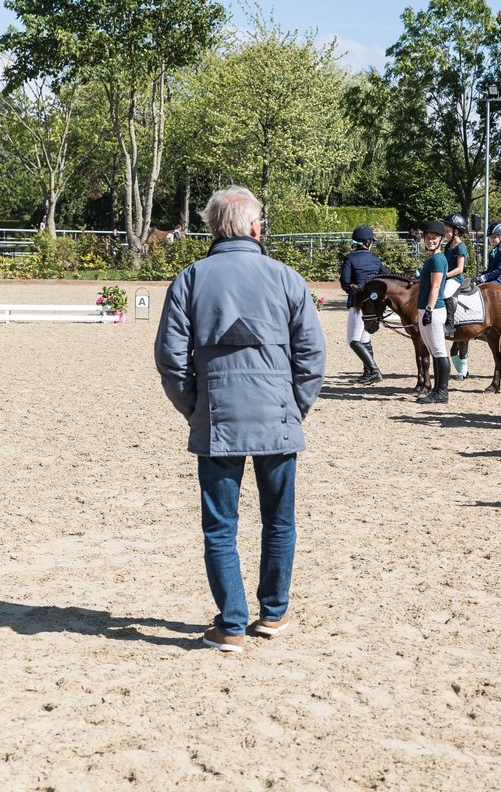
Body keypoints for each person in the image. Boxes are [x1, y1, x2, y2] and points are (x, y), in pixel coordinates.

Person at [154, 185, 326, 652]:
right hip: (277, 417)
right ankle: (274, 613)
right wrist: (296, 406)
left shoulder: (189, 279)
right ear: (255, 227)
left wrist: (195, 407)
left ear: (212, 227)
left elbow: (171, 360)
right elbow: (312, 355)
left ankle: (230, 624)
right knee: (280, 521)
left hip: (217, 417)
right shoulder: (288, 278)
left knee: (220, 526)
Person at [340, 225, 387, 383]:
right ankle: (368, 373)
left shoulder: (350, 258)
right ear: (367, 243)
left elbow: (345, 282)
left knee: (353, 340)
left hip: (358, 302)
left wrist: (353, 290)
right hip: (373, 304)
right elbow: (386, 277)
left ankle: (373, 371)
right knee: (364, 338)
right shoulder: (375, 259)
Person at [416, 220, 451, 404]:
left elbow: (436, 286)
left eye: (434, 238)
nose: (430, 241)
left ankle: (442, 392)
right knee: (433, 350)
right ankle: (437, 390)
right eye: (428, 238)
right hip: (425, 309)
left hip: (434, 309)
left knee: (439, 351)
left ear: (441, 239)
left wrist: (429, 308)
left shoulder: (438, 259)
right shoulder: (431, 258)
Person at [440, 213, 468, 340]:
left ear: (456, 231)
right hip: (446, 276)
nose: (445, 233)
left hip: (455, 278)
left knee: (445, 294)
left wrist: (445, 275)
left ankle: (450, 326)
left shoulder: (461, 247)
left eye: (447, 231)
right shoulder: (448, 246)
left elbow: (459, 269)